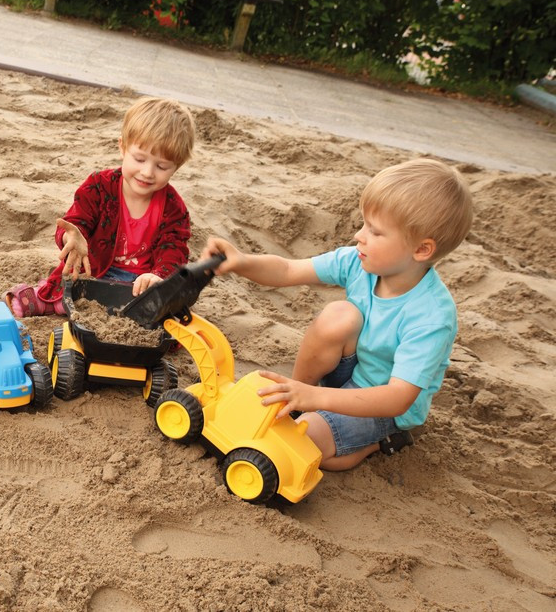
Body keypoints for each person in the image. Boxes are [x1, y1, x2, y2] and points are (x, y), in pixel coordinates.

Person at [200, 158, 473, 471]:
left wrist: (318, 398)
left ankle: (379, 442)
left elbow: (398, 397)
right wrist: (242, 261)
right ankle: (294, 400)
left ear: (421, 250)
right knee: (339, 315)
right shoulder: (360, 263)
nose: (359, 236)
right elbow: (289, 269)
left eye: (375, 231)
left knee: (305, 446)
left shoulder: (432, 316)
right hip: (348, 372)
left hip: (380, 404)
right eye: (363, 224)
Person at [4, 97, 196, 316]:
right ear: (123, 148)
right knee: (65, 294)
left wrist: (158, 276)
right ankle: (46, 299)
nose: (148, 172)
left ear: (176, 167)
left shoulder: (173, 207)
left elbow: (174, 250)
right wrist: (73, 238)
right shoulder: (99, 186)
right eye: (140, 159)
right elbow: (75, 223)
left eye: (161, 166)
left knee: (158, 313)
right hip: (94, 269)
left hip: (138, 283)